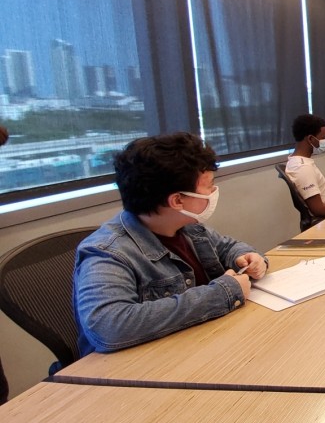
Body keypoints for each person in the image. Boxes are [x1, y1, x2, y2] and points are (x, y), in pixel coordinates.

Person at [74, 133, 268, 355]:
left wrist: (247, 256)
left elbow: (227, 247)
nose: (214, 192)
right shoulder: (107, 253)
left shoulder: (187, 226)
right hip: (142, 369)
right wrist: (222, 294)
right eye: (209, 186)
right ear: (177, 200)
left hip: (199, 346)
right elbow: (108, 326)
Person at [285, 113, 325, 217]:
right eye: (323, 137)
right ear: (310, 139)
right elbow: (318, 209)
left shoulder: (300, 161)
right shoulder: (303, 168)